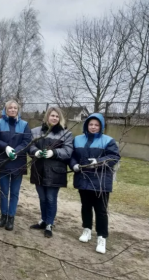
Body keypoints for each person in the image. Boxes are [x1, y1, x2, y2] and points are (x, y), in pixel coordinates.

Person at [70, 113, 120, 254]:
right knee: (86, 206)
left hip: (101, 182)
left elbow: (114, 157)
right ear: (86, 125)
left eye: (96, 125)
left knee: (101, 210)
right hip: (83, 178)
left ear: (101, 126)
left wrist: (98, 162)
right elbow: (72, 156)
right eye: (91, 124)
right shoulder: (78, 139)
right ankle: (86, 230)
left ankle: (101, 237)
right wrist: (73, 165)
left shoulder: (108, 141)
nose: (93, 127)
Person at [29, 107, 73, 238]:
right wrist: (35, 152)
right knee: (42, 197)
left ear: (60, 119)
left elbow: (68, 151)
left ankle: (49, 223)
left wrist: (53, 153)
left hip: (55, 172)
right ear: (47, 117)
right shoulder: (36, 131)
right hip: (39, 169)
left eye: (57, 116)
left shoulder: (66, 134)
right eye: (52, 116)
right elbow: (30, 145)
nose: (54, 118)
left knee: (51, 198)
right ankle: (43, 220)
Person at [0, 100, 32, 231]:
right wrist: (6, 147)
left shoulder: (24, 125)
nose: (12, 110)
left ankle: (11, 217)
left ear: (18, 110)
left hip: (18, 163)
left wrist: (16, 151)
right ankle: (3, 215)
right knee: (3, 191)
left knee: (14, 192)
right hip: (3, 162)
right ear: (5, 110)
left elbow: (27, 141)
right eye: (10, 108)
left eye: (15, 108)